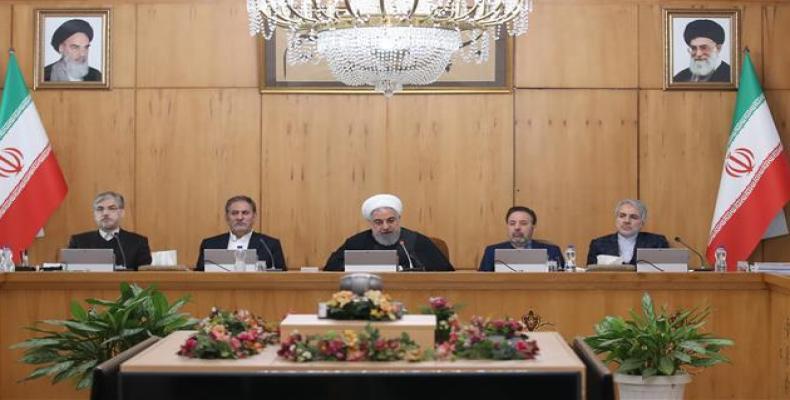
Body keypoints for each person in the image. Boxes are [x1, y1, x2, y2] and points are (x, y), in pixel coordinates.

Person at [324, 194, 454, 271]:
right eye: (378, 222)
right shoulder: (357, 242)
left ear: (399, 219)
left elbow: (445, 273)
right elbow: (331, 269)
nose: (385, 227)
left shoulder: (417, 241)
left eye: (390, 220)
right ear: (371, 223)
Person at [195, 195, 286, 271]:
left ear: (254, 217)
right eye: (234, 213)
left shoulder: (270, 245)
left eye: (245, 213)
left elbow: (282, 278)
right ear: (227, 217)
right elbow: (198, 277)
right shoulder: (210, 244)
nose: (240, 217)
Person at [68, 191, 151, 270]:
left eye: (112, 208)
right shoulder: (79, 242)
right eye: (100, 209)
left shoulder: (138, 242)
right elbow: (69, 275)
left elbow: (144, 277)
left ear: (121, 213)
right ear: (94, 214)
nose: (105, 213)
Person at [479, 206, 564, 271]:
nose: (517, 227)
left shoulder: (552, 251)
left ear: (533, 227)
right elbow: (481, 285)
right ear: (507, 226)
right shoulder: (491, 252)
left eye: (523, 223)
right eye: (512, 223)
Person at [587, 199, 669, 265]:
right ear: (616, 219)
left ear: (642, 223)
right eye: (622, 216)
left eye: (633, 217)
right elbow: (590, 277)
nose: (627, 221)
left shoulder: (657, 243)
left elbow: (666, 275)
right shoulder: (599, 244)